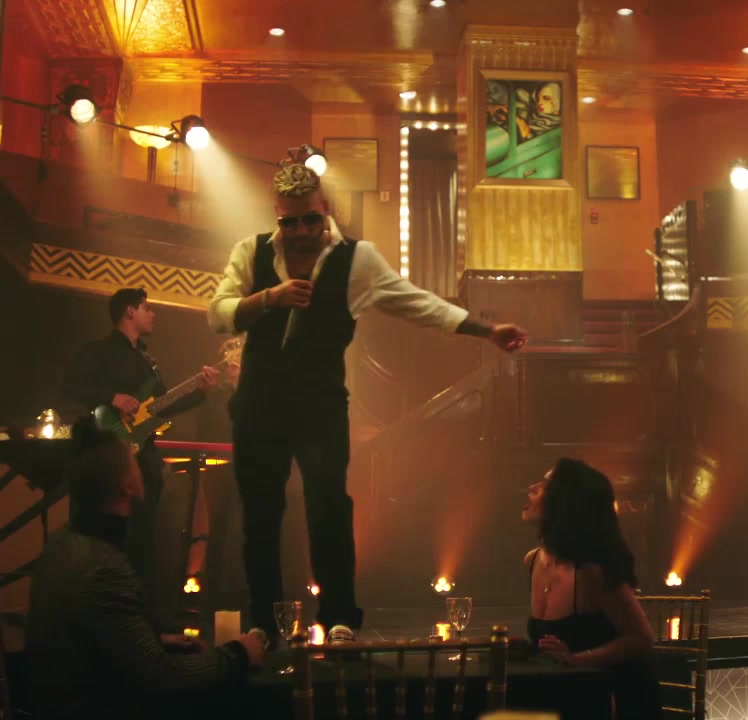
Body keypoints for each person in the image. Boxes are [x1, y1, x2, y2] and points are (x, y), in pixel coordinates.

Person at [207, 164, 528, 643]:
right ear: (277, 216)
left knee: (329, 508)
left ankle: (339, 619)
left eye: (310, 220)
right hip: (258, 404)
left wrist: (487, 330)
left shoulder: (358, 259)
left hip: (320, 404)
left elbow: (419, 304)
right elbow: (218, 316)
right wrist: (269, 298)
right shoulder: (250, 252)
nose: (301, 232)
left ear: (325, 210)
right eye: (290, 222)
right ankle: (263, 626)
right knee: (260, 515)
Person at [26, 417, 265, 720]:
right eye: (136, 463)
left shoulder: (62, 544)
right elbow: (159, 676)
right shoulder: (102, 566)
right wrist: (239, 654)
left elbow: (86, 641)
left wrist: (152, 641)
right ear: (128, 486)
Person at [63, 288, 219, 611]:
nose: (154, 314)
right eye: (147, 308)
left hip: (143, 459)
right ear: (129, 311)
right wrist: (112, 397)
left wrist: (201, 392)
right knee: (104, 533)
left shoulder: (148, 362)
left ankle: (139, 611)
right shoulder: (99, 352)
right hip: (106, 456)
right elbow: (70, 386)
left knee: (144, 537)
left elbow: (163, 405)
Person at [522, 458, 660, 720]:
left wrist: (579, 659)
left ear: (565, 502)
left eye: (546, 484)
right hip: (569, 693)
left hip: (614, 696)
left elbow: (641, 638)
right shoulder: (532, 560)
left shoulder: (590, 571)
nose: (532, 488)